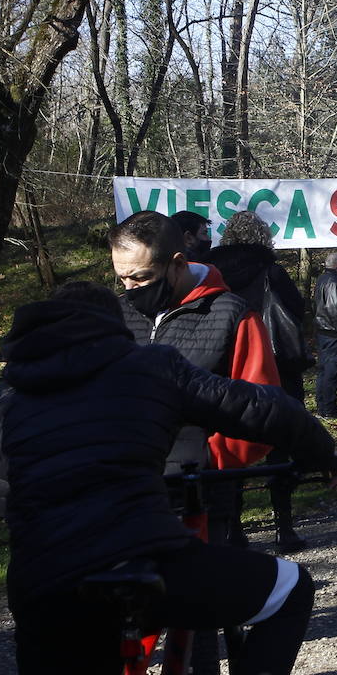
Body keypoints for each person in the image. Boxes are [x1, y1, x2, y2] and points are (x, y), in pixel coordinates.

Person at [0, 282, 337, 675]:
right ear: (114, 327)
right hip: (141, 555)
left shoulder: (7, 396)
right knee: (292, 590)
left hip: (42, 580)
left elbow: (3, 487)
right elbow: (258, 408)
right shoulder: (149, 366)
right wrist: (319, 452)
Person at [109, 211, 278, 548]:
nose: (130, 289)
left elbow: (263, 409)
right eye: (121, 278)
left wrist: (210, 460)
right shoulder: (112, 314)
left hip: (201, 501)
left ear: (178, 263)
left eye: (140, 278)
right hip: (123, 497)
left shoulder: (234, 315)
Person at [208, 210, 312, 551]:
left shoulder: (212, 273)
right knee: (279, 446)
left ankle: (235, 529)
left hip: (229, 366)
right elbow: (296, 310)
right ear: (263, 237)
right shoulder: (272, 272)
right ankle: (284, 526)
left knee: (229, 444)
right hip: (275, 366)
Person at [314, 252, 337, 418]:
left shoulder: (322, 279)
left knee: (324, 370)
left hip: (324, 330)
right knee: (332, 371)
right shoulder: (333, 281)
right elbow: (334, 308)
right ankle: (329, 408)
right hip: (332, 332)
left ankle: (324, 406)